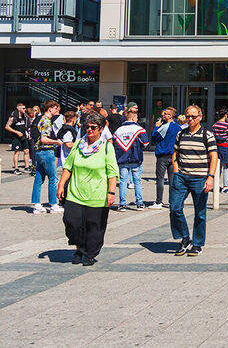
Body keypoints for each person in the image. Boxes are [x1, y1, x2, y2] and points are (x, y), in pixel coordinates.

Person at [57, 113, 118, 266]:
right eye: (87, 127)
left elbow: (112, 172)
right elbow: (68, 167)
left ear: (101, 129)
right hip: (75, 193)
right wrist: (60, 185)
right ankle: (79, 247)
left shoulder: (106, 148)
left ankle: (88, 253)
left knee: (93, 227)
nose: (89, 130)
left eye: (93, 127)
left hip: (97, 195)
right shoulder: (78, 145)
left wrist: (111, 192)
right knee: (71, 221)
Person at [170, 105, 217, 257]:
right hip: (181, 177)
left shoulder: (207, 135)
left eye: (193, 116)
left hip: (200, 178)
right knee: (174, 208)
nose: (190, 119)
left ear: (200, 117)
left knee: (200, 213)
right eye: (188, 116)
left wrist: (210, 177)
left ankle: (197, 244)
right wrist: (176, 172)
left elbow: (214, 157)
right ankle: (185, 237)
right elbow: (175, 154)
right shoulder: (181, 134)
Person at [112, 105, 149, 211]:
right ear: (133, 118)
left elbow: (114, 144)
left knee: (123, 182)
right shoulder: (139, 129)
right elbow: (146, 143)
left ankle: (122, 204)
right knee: (137, 181)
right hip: (135, 158)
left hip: (122, 159)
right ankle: (139, 203)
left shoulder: (118, 130)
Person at [31, 100, 63, 215]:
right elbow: (44, 139)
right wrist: (56, 142)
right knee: (53, 178)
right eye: (55, 108)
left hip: (38, 152)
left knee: (38, 179)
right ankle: (53, 204)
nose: (57, 111)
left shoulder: (40, 118)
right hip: (46, 151)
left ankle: (36, 205)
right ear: (50, 109)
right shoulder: (46, 120)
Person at [149, 107, 180, 209]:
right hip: (173, 156)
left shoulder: (164, 127)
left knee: (160, 179)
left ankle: (159, 202)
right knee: (172, 181)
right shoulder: (178, 127)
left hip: (162, 155)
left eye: (165, 114)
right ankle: (172, 202)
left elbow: (154, 137)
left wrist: (156, 126)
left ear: (170, 116)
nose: (163, 116)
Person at [210, 108, 228, 193]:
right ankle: (225, 186)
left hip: (217, 147)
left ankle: (216, 185)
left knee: (218, 167)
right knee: (227, 167)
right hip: (225, 148)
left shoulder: (215, 125)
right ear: (226, 116)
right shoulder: (227, 125)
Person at [5, 102, 31, 174]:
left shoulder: (25, 117)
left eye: (25, 108)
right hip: (16, 137)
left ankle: (27, 167)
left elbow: (28, 126)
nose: (24, 110)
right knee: (17, 151)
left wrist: (28, 134)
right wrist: (16, 132)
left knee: (26, 151)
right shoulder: (13, 117)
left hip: (23, 136)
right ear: (18, 109)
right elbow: (7, 127)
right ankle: (16, 168)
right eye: (23, 108)